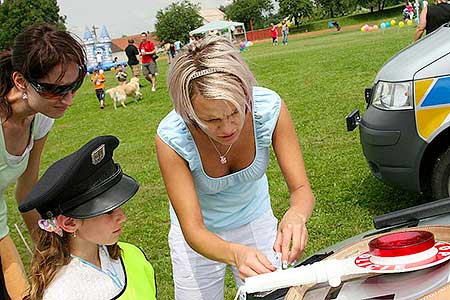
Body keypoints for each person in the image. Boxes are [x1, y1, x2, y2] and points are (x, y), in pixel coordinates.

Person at [156, 36, 314, 300]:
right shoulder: (172, 137)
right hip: (198, 237)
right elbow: (193, 229)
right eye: (212, 120)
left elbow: (301, 189)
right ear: (188, 113)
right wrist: (235, 253)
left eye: (235, 112)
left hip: (255, 219)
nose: (228, 128)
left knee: (278, 296)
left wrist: (297, 215)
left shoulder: (269, 109)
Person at [0, 23, 86, 299]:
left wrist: (50, 256)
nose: (68, 100)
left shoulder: (41, 117)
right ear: (20, 82)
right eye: (54, 90)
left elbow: (27, 192)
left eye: (74, 86)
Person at [20, 135, 157, 300]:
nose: (123, 217)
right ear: (70, 223)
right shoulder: (62, 294)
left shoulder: (131, 254)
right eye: (108, 211)